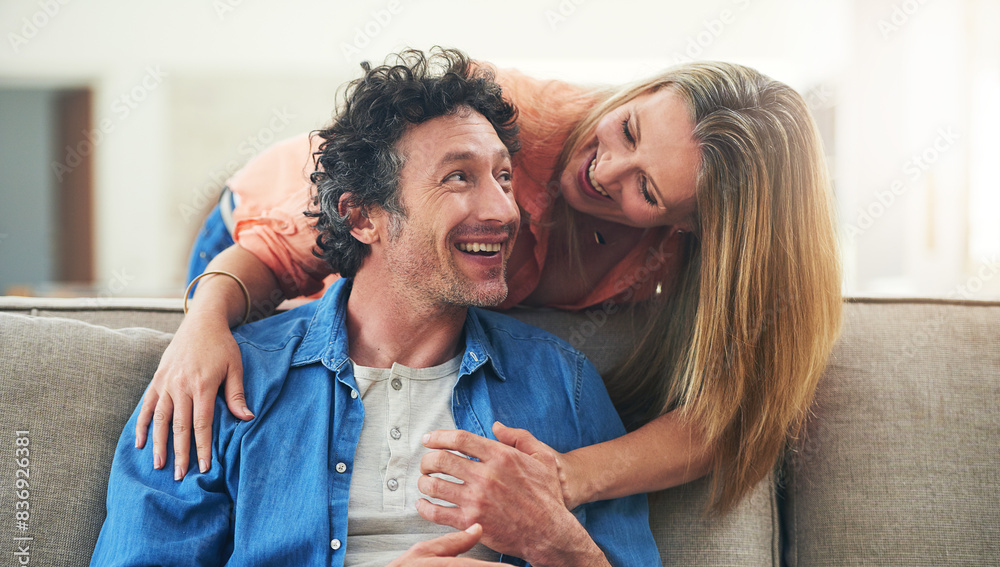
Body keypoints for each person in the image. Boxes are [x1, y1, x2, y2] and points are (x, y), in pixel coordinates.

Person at [76, 50, 689, 567]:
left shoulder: (563, 384)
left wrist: (553, 538)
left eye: (505, 178)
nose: (505, 211)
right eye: (458, 178)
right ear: (361, 216)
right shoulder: (224, 381)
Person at [143, 49, 842, 515]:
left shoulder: (688, 251)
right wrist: (205, 319)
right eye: (626, 130)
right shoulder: (507, 122)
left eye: (647, 191)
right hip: (278, 219)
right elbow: (289, 250)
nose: (606, 171)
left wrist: (571, 476)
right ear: (648, 88)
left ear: (688, 227)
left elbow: (730, 413)